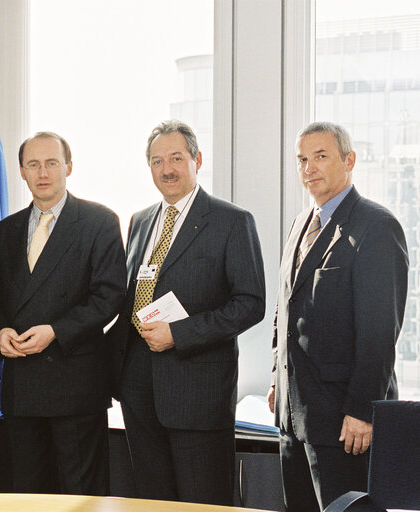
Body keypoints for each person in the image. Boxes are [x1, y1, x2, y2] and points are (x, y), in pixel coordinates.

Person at [108, 120, 265, 505]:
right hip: (138, 385)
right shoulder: (140, 220)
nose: (167, 169)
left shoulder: (231, 221)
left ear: (197, 159)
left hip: (197, 391)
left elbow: (250, 304)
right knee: (152, 498)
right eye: (157, 161)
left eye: (177, 158)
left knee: (201, 500)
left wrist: (179, 333)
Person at [267, 122, 409, 512]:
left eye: (321, 156)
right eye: (301, 159)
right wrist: (278, 379)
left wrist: (363, 411)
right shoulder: (300, 223)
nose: (309, 168)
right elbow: (285, 306)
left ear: (349, 160)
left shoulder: (377, 226)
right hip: (294, 417)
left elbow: (380, 333)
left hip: (343, 421)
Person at [0, 131, 126, 495]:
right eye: (33, 164)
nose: (42, 172)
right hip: (22, 388)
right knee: (28, 495)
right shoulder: (4, 231)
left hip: (75, 384)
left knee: (81, 495)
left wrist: (56, 331)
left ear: (69, 167)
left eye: (51, 163)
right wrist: (0, 331)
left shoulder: (99, 221)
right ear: (21, 171)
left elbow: (109, 296)